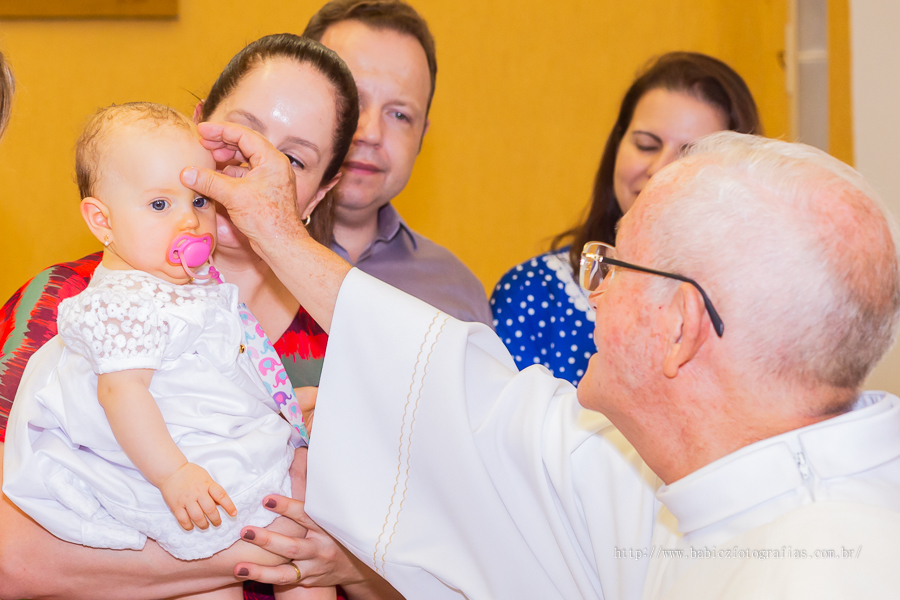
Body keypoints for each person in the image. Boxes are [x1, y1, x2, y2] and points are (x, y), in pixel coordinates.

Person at [177, 123, 900, 599]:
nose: (593, 293)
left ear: (679, 328)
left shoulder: (835, 566)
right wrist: (277, 231)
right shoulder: (686, 466)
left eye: (612, 266)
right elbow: (463, 393)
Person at [0, 38, 399, 600]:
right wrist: (257, 551)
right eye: (241, 133)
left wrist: (349, 559)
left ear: (321, 190)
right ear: (199, 133)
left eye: (292, 159)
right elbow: (9, 556)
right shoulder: (75, 305)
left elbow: (432, 562)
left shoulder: (345, 333)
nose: (254, 163)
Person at [491, 52, 761, 385]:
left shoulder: (756, 310)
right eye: (647, 145)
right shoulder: (534, 294)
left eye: (690, 156)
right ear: (617, 145)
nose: (659, 170)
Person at [302, 0, 494, 328]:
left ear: (421, 137)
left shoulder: (458, 299)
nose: (370, 133)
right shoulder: (221, 256)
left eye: (400, 115)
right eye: (350, 101)